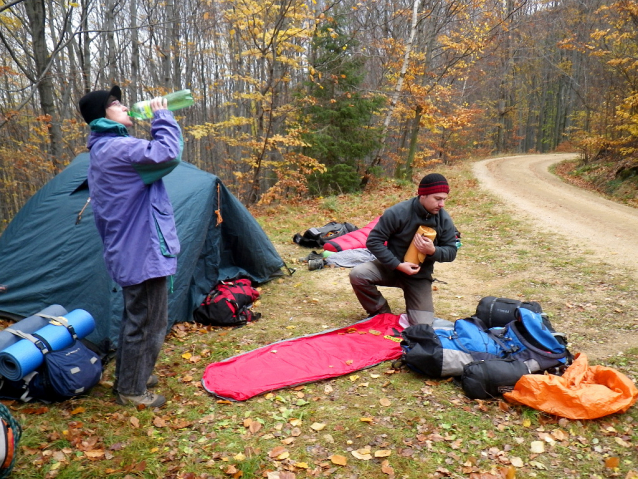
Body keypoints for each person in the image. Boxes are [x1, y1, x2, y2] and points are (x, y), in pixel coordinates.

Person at [79, 86, 182, 407]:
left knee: (137, 318)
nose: (124, 106)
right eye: (115, 104)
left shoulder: (106, 147)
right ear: (101, 115)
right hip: (142, 251)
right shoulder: (116, 148)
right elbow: (168, 153)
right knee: (150, 322)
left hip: (134, 250)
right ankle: (133, 390)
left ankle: (132, 375)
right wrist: (162, 116)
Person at [349, 173, 457, 327]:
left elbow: (451, 252)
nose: (442, 204)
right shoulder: (398, 212)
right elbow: (373, 241)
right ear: (423, 195)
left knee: (422, 327)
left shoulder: (444, 220)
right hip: (391, 267)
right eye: (437, 199)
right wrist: (397, 265)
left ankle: (416, 311)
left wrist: (433, 250)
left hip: (419, 276)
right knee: (358, 274)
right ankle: (380, 313)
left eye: (444, 199)